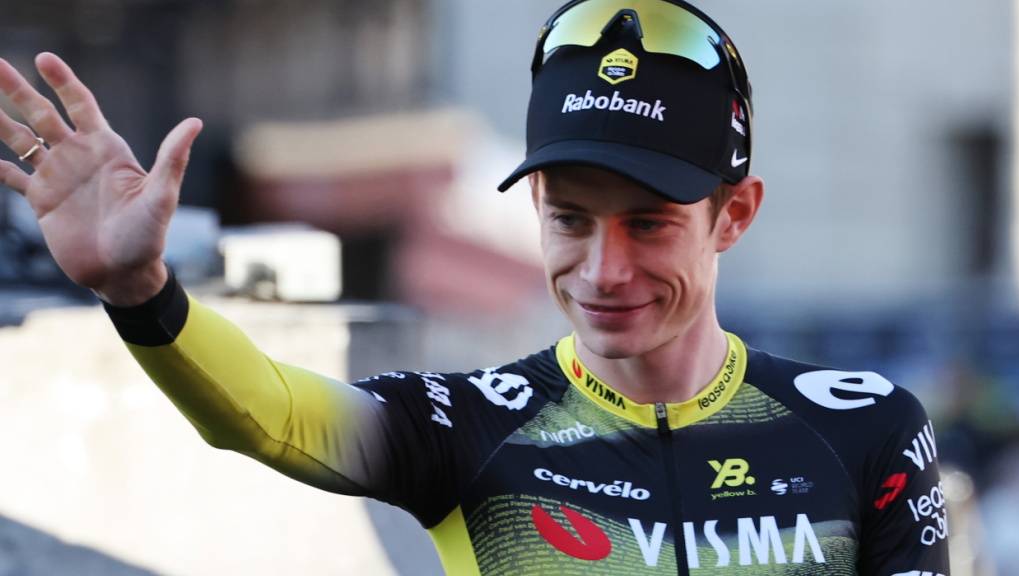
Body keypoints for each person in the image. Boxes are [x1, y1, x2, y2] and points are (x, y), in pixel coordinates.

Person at [0, 1, 950, 574]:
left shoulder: (863, 429)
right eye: (570, 219)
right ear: (536, 204)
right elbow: (264, 412)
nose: (603, 270)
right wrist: (140, 289)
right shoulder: (472, 425)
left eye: (649, 224)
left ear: (733, 215)